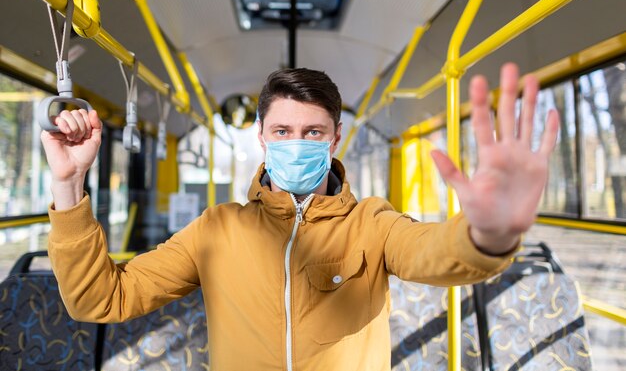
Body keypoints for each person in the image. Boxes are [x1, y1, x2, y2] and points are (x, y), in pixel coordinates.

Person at [42, 63, 558, 370]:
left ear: (335, 139)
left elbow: (434, 255)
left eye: (313, 133)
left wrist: (486, 236)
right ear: (261, 138)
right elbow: (99, 299)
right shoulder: (218, 228)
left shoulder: (372, 223)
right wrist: (68, 185)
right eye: (283, 131)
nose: (297, 144)